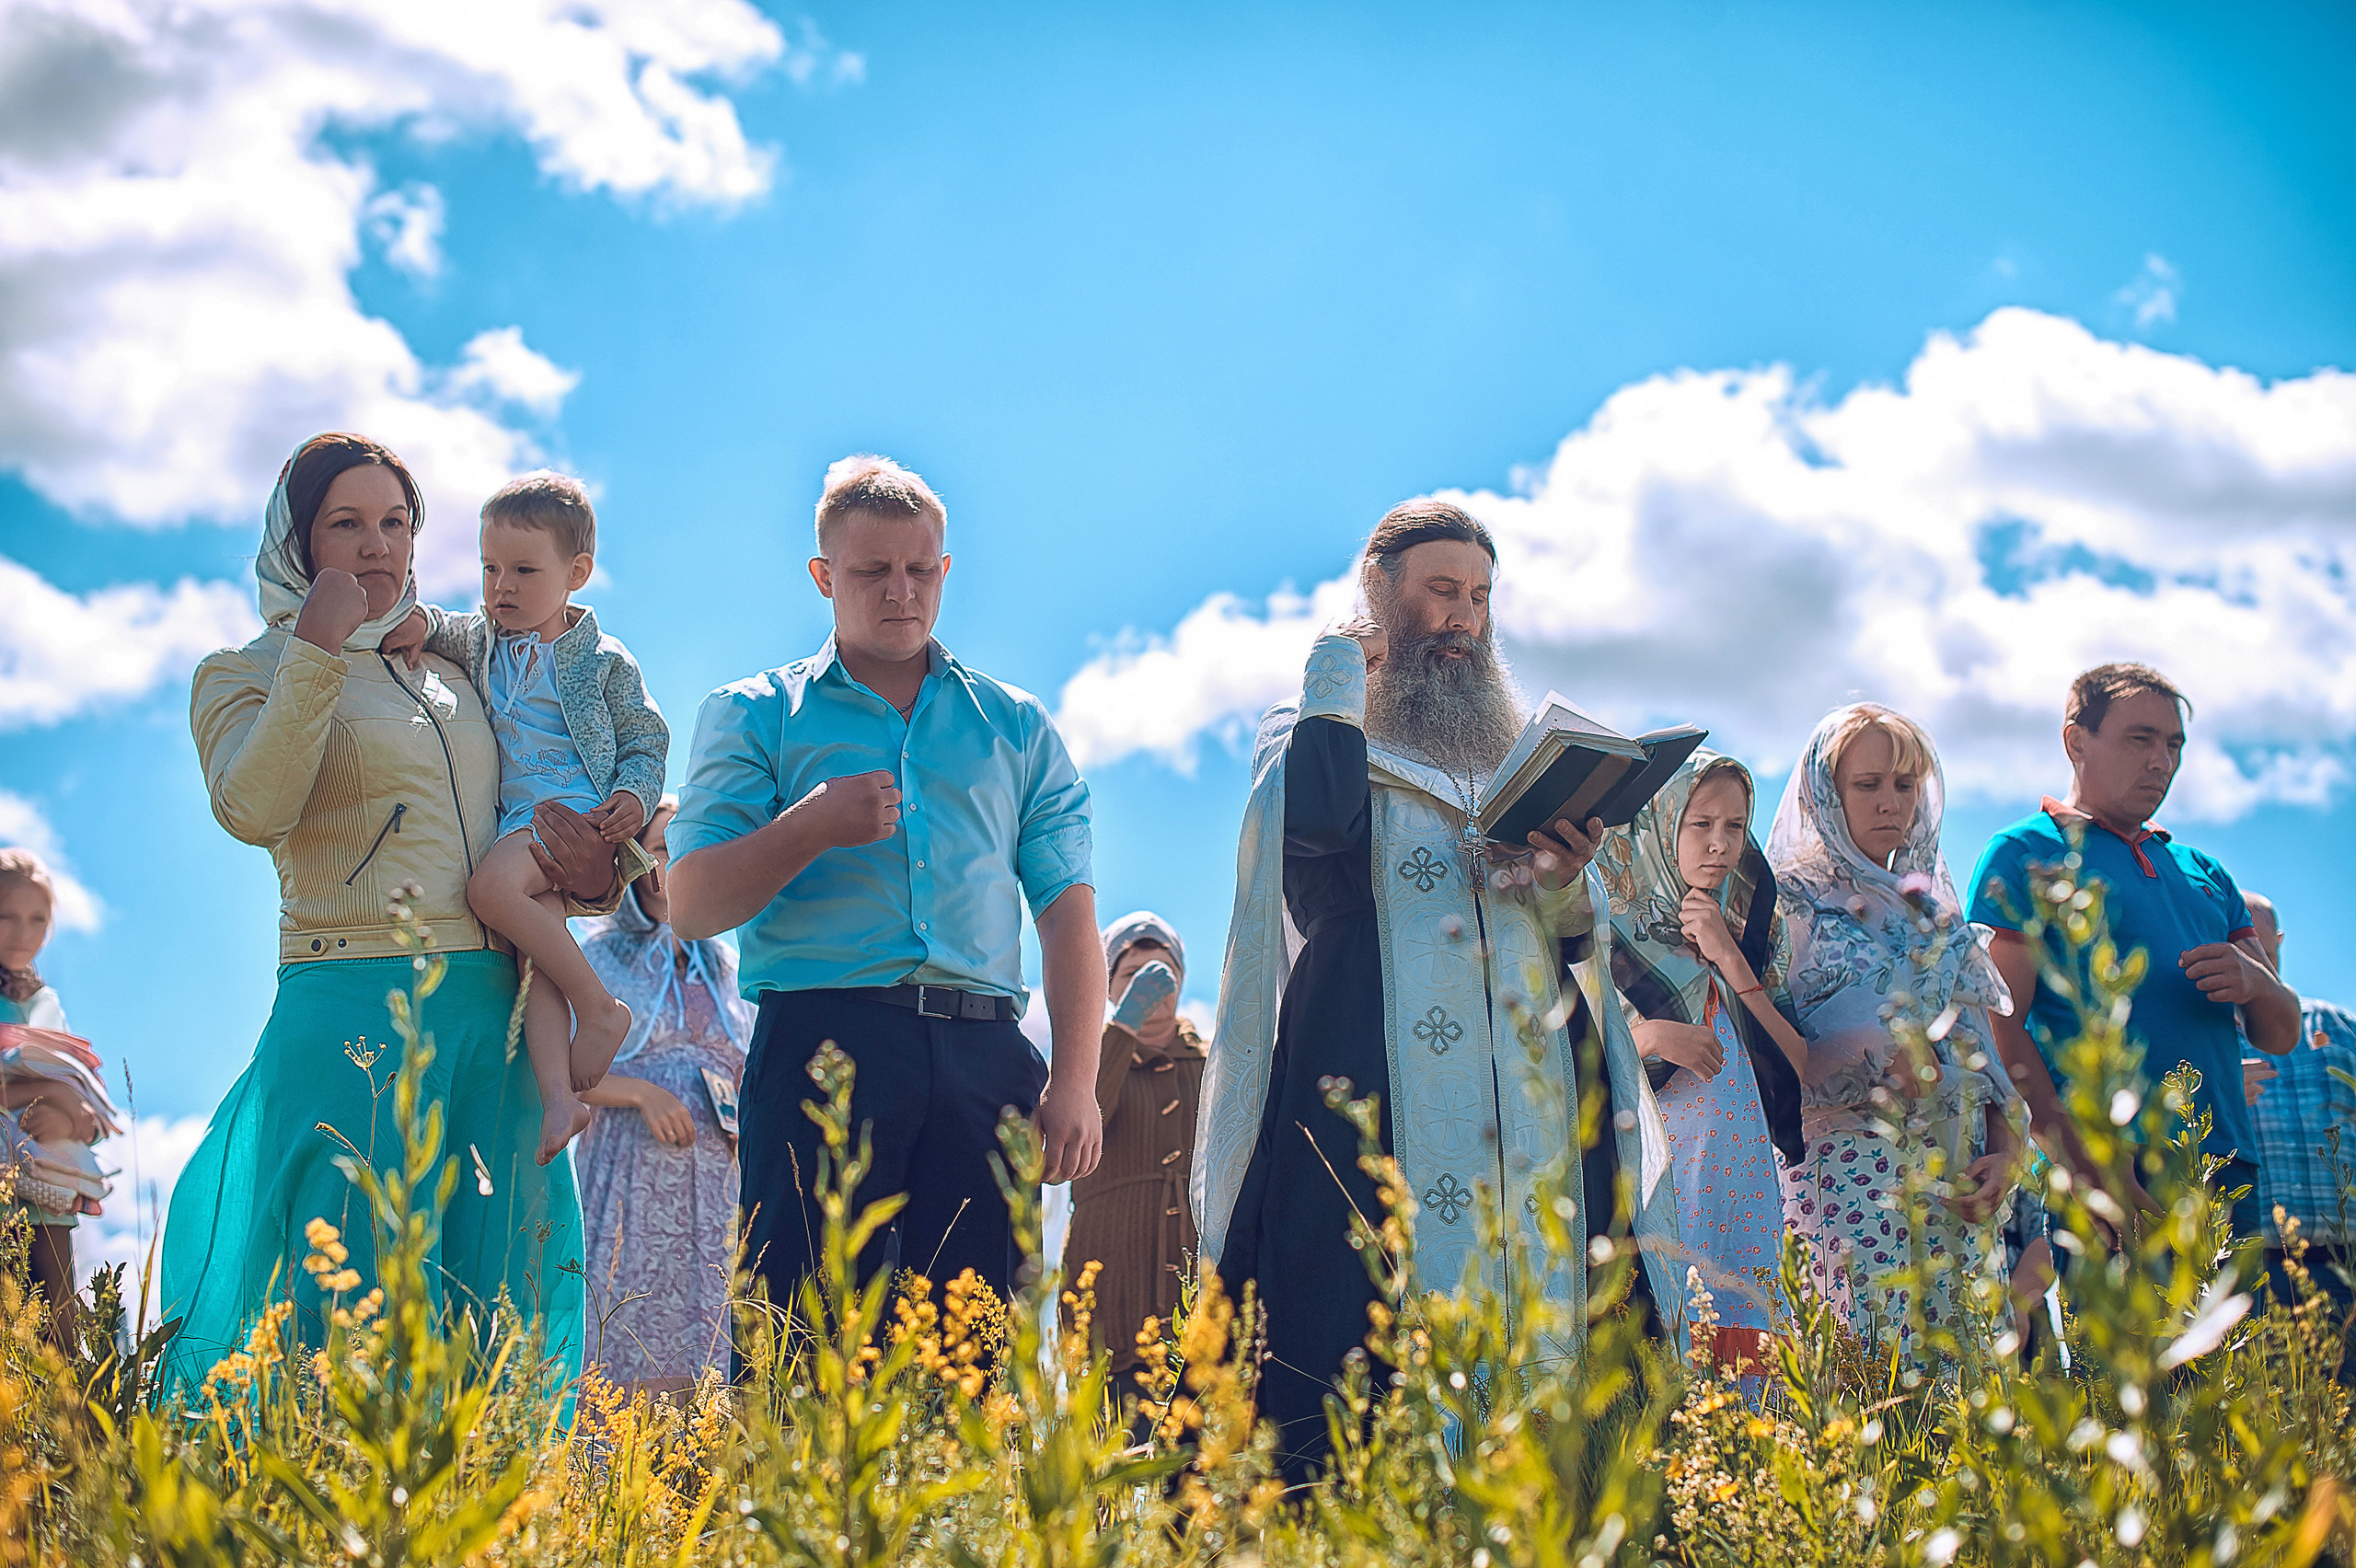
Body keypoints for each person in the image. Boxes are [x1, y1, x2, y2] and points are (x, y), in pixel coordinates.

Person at [1195, 500, 1679, 1480]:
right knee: (1359, 1332)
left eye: (1480, 599)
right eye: (1440, 593)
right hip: (1369, 1076)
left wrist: (1565, 878)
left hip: (1532, 1102)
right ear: (1381, 596)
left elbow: (1581, 940)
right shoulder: (1317, 723)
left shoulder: (1513, 756)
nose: (1463, 617)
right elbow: (1317, 833)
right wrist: (1339, 665)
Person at [159, 432, 622, 1398]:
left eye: (395, 523)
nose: (377, 546)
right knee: (341, 1300)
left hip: (492, 1018)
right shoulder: (239, 673)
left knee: (494, 1299)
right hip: (350, 1002)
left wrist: (592, 876)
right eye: (346, 524)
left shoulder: (458, 672)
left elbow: (527, 810)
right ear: (296, 540)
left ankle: (485, 1530)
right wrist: (318, 650)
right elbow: (252, 807)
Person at [668, 455, 1103, 1342]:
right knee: (804, 1345)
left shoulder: (1016, 727)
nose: (899, 591)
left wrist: (1076, 1083)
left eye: (919, 570)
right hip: (823, 1050)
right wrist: (812, 825)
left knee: (977, 1358)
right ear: (825, 577)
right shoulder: (753, 714)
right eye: (871, 572)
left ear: (944, 571)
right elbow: (691, 905)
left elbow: (1067, 915)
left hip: (988, 1059)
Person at [383, 472, 666, 1166]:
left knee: (488, 893)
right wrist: (420, 623)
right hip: (518, 820)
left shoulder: (599, 657)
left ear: (576, 573)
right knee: (533, 963)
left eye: (523, 571)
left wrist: (633, 795)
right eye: (489, 568)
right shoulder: (486, 641)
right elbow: (450, 627)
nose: (500, 586)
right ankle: (560, 1101)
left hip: (571, 813)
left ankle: (599, 1006)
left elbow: (645, 736)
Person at [1967, 664, 2301, 1247]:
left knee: (2242, 1342)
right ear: (2076, 741)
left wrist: (2258, 983)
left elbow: (2280, 1034)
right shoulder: (2023, 852)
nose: (2162, 761)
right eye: (2140, 739)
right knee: (2127, 1339)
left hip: (2225, 1165)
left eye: (2173, 745)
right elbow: (2001, 1028)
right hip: (2111, 1167)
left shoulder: (2205, 872)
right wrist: (2088, 1167)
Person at [1767, 703, 2016, 1351]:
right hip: (1849, 1180)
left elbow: (1989, 1062)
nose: (1890, 803)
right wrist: (1871, 1061)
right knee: (1870, 1379)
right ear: (1826, 793)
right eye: (1867, 784)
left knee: (1963, 1399)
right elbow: (1766, 1049)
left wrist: (2005, 1158)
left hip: (1955, 1190)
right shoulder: (1784, 904)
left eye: (1904, 786)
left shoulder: (1936, 917)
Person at [1597, 751, 1807, 1370]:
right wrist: (1655, 1036)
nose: (1720, 845)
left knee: (1750, 1355)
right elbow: (1565, 1056)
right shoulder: (1611, 931)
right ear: (1663, 824)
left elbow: (1795, 1064)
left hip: (1741, 1190)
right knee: (1673, 1346)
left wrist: (1728, 957)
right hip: (1660, 1181)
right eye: (1700, 824)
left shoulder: (1747, 926)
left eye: (1735, 827)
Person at [572, 798, 756, 1394]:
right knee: (626, 1338)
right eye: (654, 850)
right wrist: (642, 1095)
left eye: (680, 851)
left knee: (709, 1357)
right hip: (629, 1187)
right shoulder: (598, 956)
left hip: (716, 1197)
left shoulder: (726, 967)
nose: (665, 866)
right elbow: (560, 1068)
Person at [1064, 912, 1204, 1402]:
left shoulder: (1215, 1063)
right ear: (1107, 987)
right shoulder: (1085, 1062)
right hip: (1111, 1278)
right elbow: (1080, 1121)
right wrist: (1121, 1027)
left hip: (1200, 1286)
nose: (1150, 984)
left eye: (1161, 973)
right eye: (1131, 975)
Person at [1, 847, 104, 1347]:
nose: (23, 932)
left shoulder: (44, 1002)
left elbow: (83, 1098)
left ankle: (74, 1423)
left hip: (46, 1188)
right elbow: (55, 1083)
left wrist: (68, 1116)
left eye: (37, 919)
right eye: (7, 917)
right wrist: (48, 1089)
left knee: (58, 1326)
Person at [2238, 894, 2356, 1317]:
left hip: (2348, 1266)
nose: (2254, 967)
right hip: (2249, 1274)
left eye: (2263, 954)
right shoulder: (2201, 1046)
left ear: (2278, 942)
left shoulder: (2336, 1026)